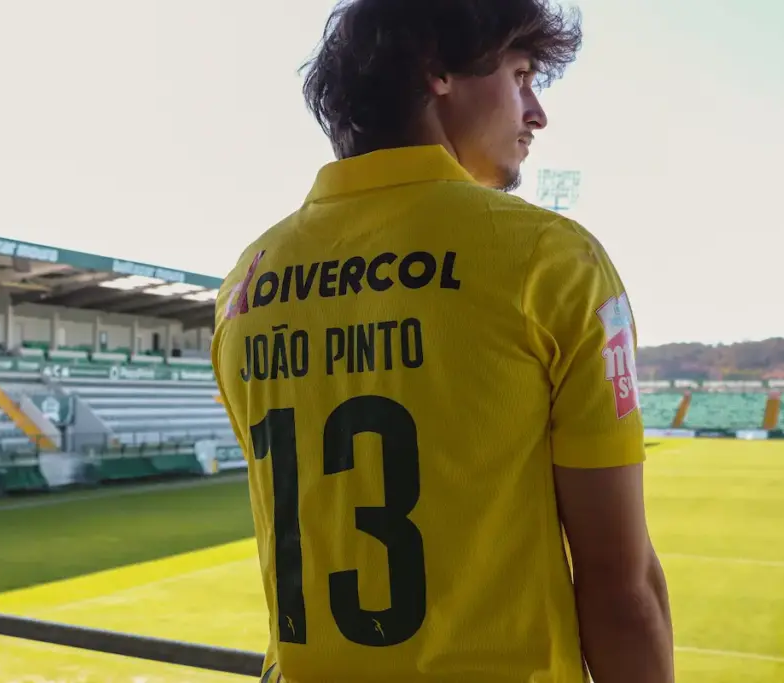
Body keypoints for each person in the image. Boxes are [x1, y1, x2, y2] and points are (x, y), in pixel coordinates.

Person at [210, 0, 674, 681]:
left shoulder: (243, 285)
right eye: (520, 76)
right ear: (437, 69)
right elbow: (620, 587)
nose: (536, 112)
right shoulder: (548, 258)